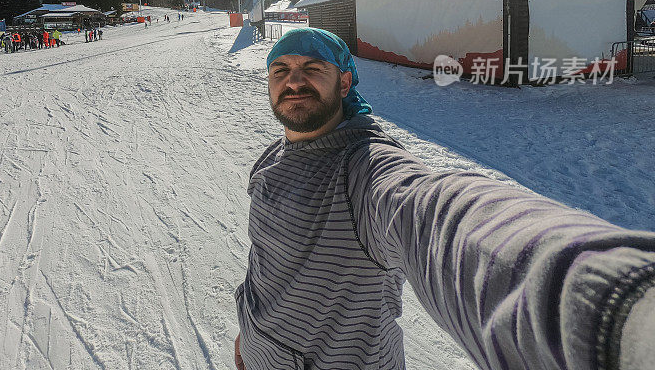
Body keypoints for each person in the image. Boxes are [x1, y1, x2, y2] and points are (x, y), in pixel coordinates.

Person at [234, 27, 655, 370]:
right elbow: (264, 265)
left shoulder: (362, 168)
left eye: (312, 68)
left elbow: (438, 216)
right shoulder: (272, 157)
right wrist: (248, 335)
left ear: (344, 81)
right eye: (280, 70)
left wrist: (616, 307)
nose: (293, 81)